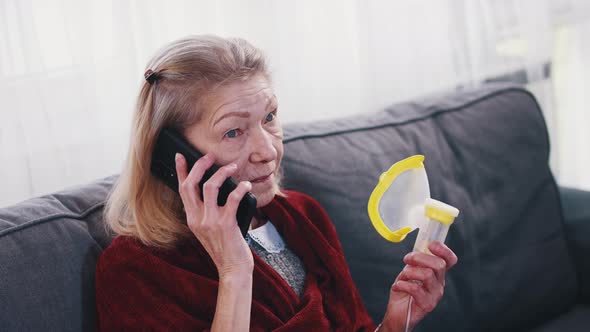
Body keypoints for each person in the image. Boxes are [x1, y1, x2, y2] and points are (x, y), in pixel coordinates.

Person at [95, 35, 458, 332]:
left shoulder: (303, 215)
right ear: (173, 155)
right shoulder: (135, 268)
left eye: (269, 117)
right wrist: (235, 271)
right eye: (233, 131)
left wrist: (396, 322)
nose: (268, 150)